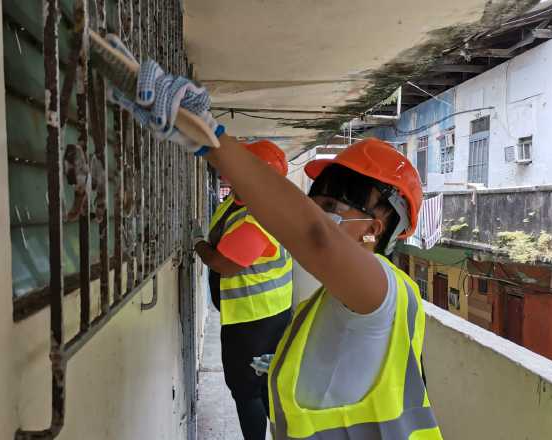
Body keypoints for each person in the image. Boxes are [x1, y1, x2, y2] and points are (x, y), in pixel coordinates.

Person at [105, 39, 442, 439]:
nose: (319, 210)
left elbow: (315, 237)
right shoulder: (342, 298)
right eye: (318, 199)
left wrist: (208, 138)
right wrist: (285, 362)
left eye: (335, 203)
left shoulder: (384, 293)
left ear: (375, 228)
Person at [192, 140, 293, 440]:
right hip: (263, 315)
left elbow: (224, 264)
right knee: (262, 385)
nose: (229, 171)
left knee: (247, 390)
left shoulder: (257, 217)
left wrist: (198, 243)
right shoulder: (239, 200)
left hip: (254, 323)